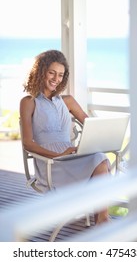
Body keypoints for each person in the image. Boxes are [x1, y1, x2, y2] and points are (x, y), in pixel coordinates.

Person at [20, 49, 111, 225]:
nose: (56, 79)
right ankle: (102, 220)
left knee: (100, 158)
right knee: (100, 163)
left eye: (61, 75)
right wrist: (58, 156)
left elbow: (92, 126)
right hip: (50, 164)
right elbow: (27, 144)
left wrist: (107, 134)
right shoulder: (29, 101)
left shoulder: (67, 101)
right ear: (41, 72)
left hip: (71, 157)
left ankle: (102, 218)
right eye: (51, 73)